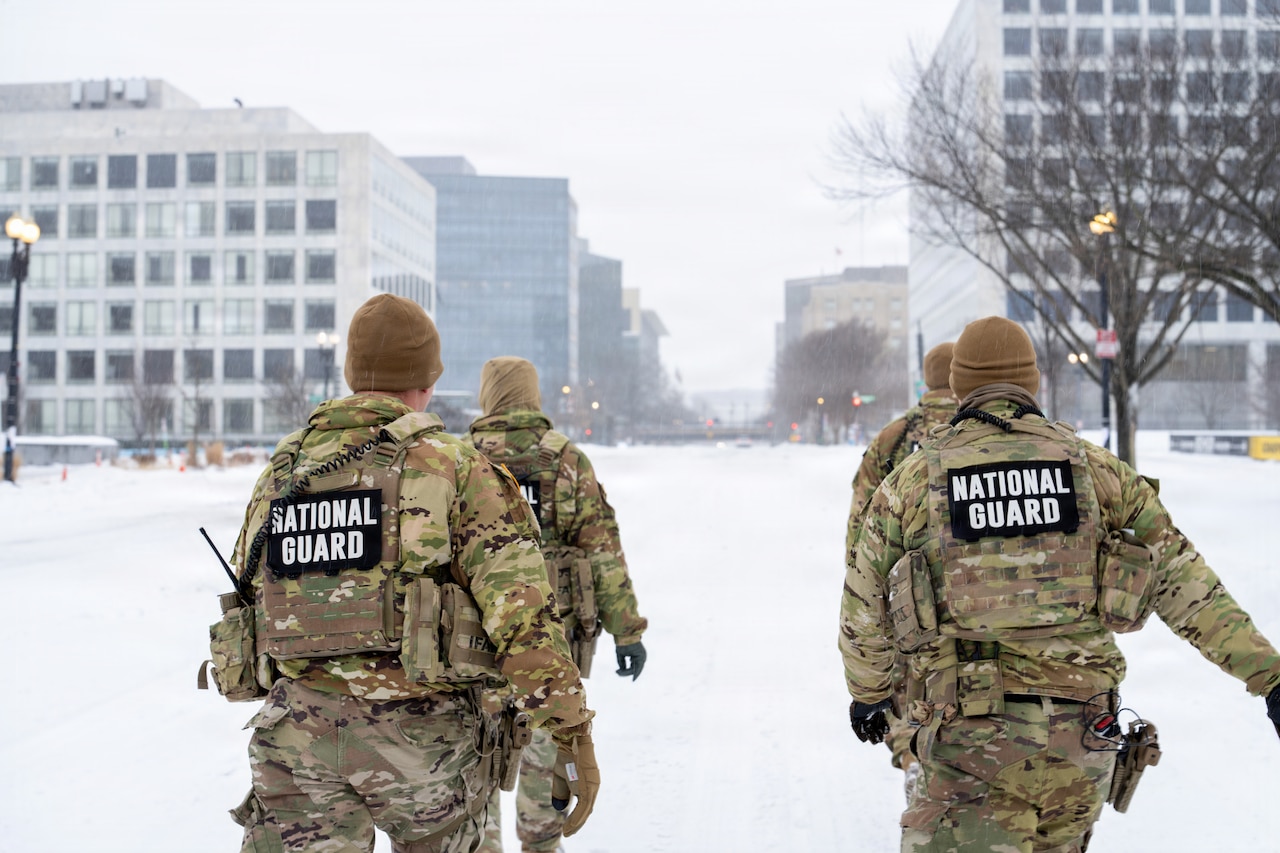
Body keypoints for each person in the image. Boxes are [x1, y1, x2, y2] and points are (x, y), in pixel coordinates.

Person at [839, 316, 1280, 853]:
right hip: (1084, 741)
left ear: (958, 386)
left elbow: (863, 601)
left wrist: (870, 694)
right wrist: (1270, 678)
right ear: (1033, 382)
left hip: (971, 743)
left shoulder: (912, 480)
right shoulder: (1097, 470)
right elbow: (1187, 584)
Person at [218, 294, 600, 852]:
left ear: (352, 374)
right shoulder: (455, 466)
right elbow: (521, 619)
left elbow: (249, 593)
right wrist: (571, 727)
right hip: (424, 747)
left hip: (295, 738)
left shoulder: (286, 467)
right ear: (425, 381)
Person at [465, 356, 648, 853]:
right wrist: (627, 631)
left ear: (487, 395)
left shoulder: (457, 460)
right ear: (534, 395)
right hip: (551, 652)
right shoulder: (564, 461)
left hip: (471, 653)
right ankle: (542, 841)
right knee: (546, 771)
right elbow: (601, 551)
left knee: (474, 777)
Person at [846, 341, 957, 802]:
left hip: (904, 593)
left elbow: (861, 534)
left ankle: (914, 760)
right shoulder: (994, 430)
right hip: (977, 596)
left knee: (912, 689)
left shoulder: (895, 437)